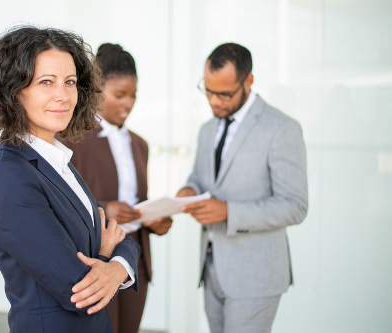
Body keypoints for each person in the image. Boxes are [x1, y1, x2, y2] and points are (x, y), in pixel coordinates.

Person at [0, 26, 140, 333]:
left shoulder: (58, 163)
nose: (63, 95)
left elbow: (121, 238)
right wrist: (106, 258)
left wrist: (115, 267)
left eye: (70, 82)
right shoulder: (7, 178)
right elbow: (77, 289)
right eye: (46, 82)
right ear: (12, 90)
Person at [177, 43, 308, 333]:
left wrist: (228, 212)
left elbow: (295, 205)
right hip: (211, 270)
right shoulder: (207, 128)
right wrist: (188, 190)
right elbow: (200, 178)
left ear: (248, 81)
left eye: (224, 94)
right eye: (208, 91)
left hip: (255, 275)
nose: (214, 101)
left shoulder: (282, 128)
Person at [59, 43, 172, 333]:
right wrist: (106, 209)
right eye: (119, 95)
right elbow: (59, 202)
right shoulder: (71, 139)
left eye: (133, 95)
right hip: (95, 261)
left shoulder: (140, 144)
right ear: (96, 89)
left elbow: (138, 203)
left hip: (136, 261)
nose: (128, 103)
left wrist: (154, 219)